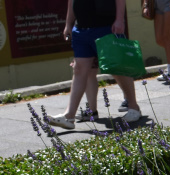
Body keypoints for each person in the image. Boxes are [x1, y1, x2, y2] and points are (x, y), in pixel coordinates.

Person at [49, 0, 141, 130]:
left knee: (117, 68)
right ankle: (69, 116)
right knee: (79, 70)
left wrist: (120, 19)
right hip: (81, 29)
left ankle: (133, 107)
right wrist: (68, 23)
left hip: (106, 26)